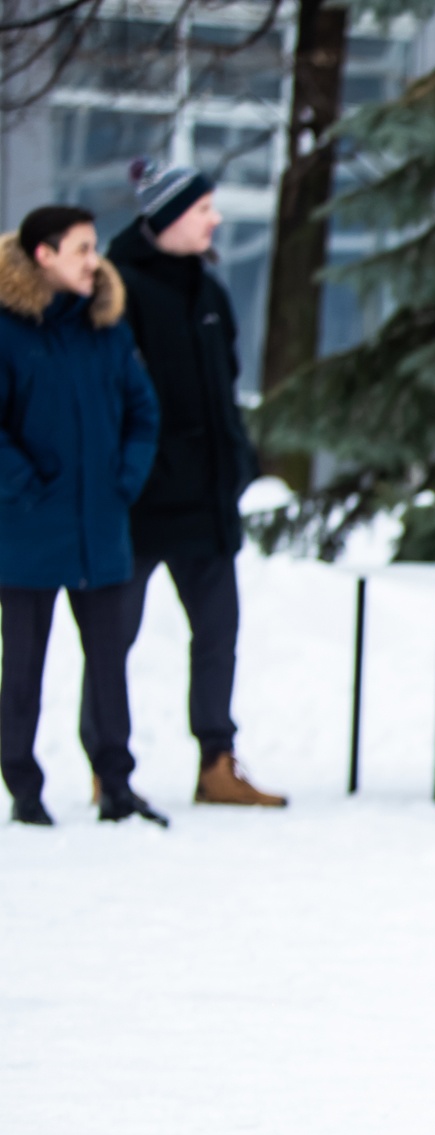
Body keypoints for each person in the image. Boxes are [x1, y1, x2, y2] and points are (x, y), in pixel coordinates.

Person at [104, 160, 283, 808]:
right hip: (140, 503)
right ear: (170, 216)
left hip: (207, 501)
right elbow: (111, 399)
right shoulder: (117, 288)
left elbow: (224, 390)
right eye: (203, 209)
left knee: (217, 634)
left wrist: (236, 465)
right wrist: (130, 477)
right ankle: (107, 763)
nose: (216, 219)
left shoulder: (209, 292)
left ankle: (216, 762)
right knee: (111, 638)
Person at [0, 206, 161, 827]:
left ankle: (115, 784)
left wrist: (124, 481)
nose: (95, 261)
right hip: (28, 531)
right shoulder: (9, 331)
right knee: (23, 668)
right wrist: (26, 487)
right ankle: (23, 788)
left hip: (101, 527)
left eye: (95, 247)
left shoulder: (106, 328)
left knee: (110, 664)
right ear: (44, 255)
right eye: (82, 249)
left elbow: (143, 412)